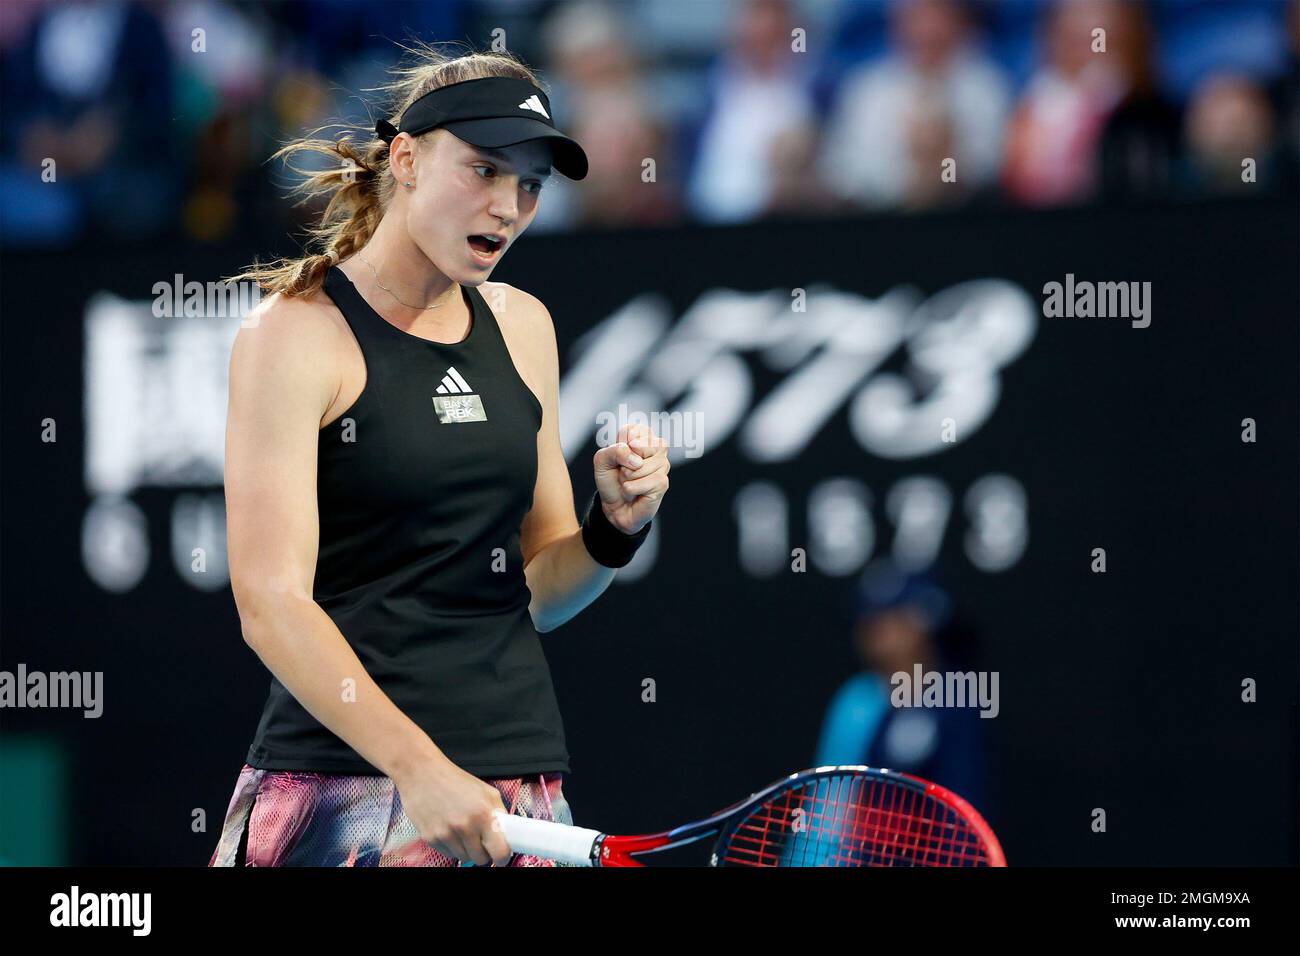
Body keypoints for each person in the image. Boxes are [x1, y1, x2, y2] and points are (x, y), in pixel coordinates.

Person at [208, 43, 671, 867]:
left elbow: (537, 591)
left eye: (530, 186)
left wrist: (612, 531)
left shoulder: (522, 326)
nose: (508, 207)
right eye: (485, 171)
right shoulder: (292, 335)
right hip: (344, 789)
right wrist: (418, 768)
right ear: (408, 159)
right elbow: (269, 601)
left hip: (516, 791)